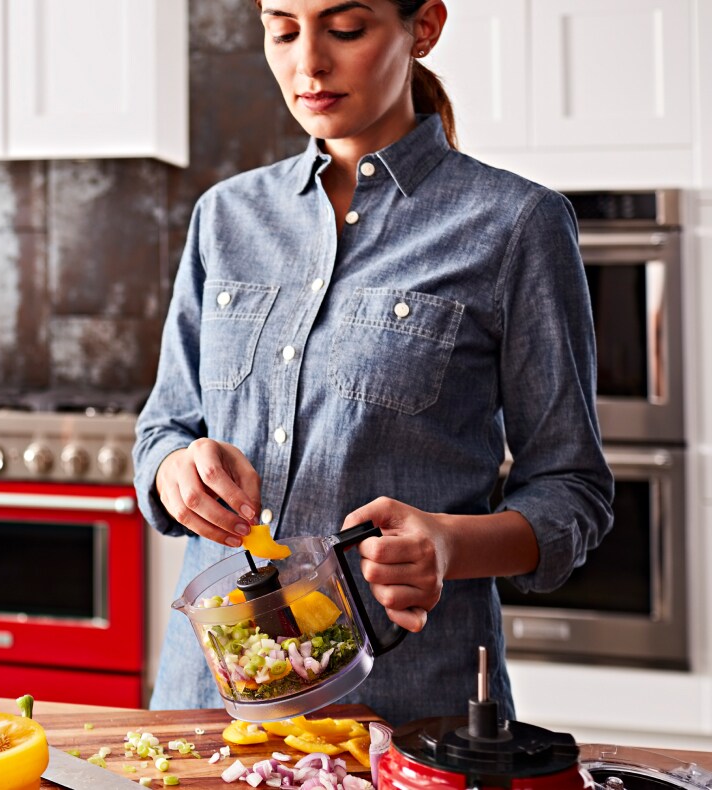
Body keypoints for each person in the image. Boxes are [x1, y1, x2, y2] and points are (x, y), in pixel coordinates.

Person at [133, 0, 614, 725]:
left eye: (346, 28)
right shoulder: (225, 218)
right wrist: (174, 473)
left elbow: (574, 492)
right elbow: (162, 430)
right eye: (283, 29)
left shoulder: (515, 225)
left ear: (423, 28)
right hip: (207, 705)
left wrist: (451, 545)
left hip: (408, 712)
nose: (309, 63)